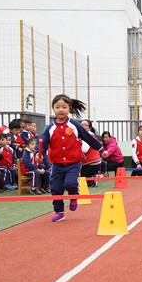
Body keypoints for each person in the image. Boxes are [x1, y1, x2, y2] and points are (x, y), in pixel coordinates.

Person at [37, 94, 103, 222]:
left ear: (69, 109)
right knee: (56, 187)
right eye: (57, 107)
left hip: (74, 163)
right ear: (53, 109)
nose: (60, 110)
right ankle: (59, 212)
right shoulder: (50, 128)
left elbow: (88, 137)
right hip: (57, 164)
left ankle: (74, 196)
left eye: (64, 107)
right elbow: (42, 142)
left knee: (70, 183)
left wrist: (101, 149)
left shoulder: (74, 125)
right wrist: (37, 155)